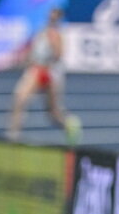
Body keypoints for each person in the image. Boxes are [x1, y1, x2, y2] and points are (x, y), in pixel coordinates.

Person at [6, 7, 82, 144]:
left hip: (51, 73)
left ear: (58, 18)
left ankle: (68, 124)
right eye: (50, 15)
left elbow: (59, 55)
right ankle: (13, 135)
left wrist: (54, 46)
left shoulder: (58, 35)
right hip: (36, 70)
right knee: (20, 98)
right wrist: (25, 60)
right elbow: (32, 52)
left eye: (55, 16)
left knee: (52, 114)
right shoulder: (41, 32)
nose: (51, 18)